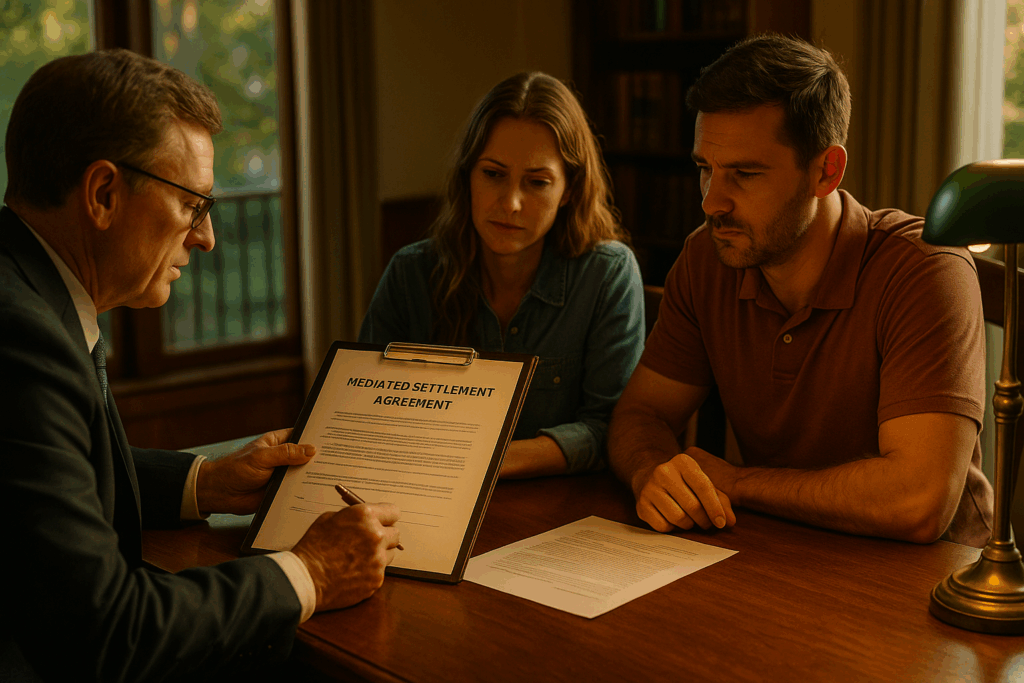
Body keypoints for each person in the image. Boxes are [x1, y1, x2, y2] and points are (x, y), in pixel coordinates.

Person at [0, 49, 401, 681]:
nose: (206, 237)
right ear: (103, 193)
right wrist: (312, 571)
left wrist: (206, 483)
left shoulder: (27, 287)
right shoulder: (20, 335)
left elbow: (49, 472)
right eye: (192, 204)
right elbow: (109, 632)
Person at [608, 34, 994, 548]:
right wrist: (652, 473)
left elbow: (919, 501)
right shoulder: (707, 257)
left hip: (930, 583)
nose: (712, 202)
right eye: (705, 169)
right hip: (781, 553)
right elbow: (641, 415)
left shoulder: (925, 270)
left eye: (744, 174)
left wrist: (738, 482)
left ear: (826, 171)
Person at [359, 72, 645, 478]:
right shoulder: (412, 272)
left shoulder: (607, 275)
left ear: (568, 190)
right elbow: (364, 410)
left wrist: (481, 462)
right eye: (493, 174)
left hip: (561, 510)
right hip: (424, 499)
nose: (510, 203)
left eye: (537, 182)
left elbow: (609, 428)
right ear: (467, 175)